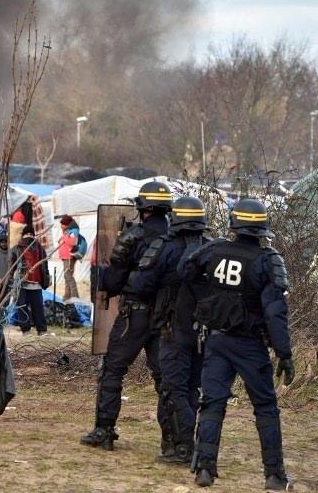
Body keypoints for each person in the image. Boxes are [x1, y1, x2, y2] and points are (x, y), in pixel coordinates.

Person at [180, 198, 294, 490]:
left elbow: (186, 270)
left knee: (212, 404)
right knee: (266, 407)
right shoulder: (267, 260)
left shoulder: (215, 250)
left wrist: (208, 300)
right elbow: (275, 313)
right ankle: (274, 475)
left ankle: (204, 468)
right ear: (262, 228)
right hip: (249, 344)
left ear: (234, 224)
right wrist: (284, 353)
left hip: (217, 340)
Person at [80, 180, 172, 453]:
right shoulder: (177, 238)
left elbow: (112, 281)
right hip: (166, 318)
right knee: (166, 379)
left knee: (112, 370)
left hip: (135, 315)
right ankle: (172, 440)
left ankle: (104, 430)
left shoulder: (134, 237)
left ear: (145, 209)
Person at [127, 196, 212, 464]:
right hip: (203, 333)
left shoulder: (164, 247)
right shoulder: (213, 248)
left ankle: (181, 446)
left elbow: (140, 285)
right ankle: (179, 442)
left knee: (172, 389)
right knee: (191, 389)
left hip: (173, 329)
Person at [10, 233, 51, 336]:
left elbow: (44, 266)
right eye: (27, 234)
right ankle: (25, 330)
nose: (29, 236)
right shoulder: (17, 248)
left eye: (31, 234)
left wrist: (46, 278)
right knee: (21, 308)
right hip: (22, 284)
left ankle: (41, 330)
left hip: (36, 285)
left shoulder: (40, 249)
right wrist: (12, 279)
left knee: (38, 308)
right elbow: (11, 266)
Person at [58, 214, 80, 300]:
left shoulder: (73, 232)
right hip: (66, 257)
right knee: (67, 276)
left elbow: (73, 242)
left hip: (69, 257)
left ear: (66, 225)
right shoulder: (68, 232)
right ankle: (67, 296)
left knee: (68, 276)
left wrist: (64, 238)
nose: (61, 226)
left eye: (62, 224)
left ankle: (75, 296)